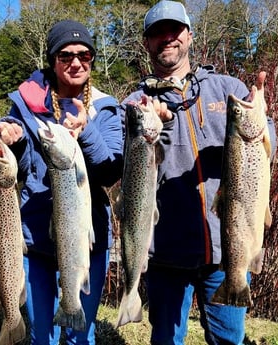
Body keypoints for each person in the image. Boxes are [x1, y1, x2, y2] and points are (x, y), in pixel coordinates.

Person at [120, 1, 277, 344]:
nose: (167, 38)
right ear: (147, 43)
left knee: (228, 340)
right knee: (165, 339)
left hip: (228, 249)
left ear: (189, 36)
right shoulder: (136, 105)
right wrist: (152, 129)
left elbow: (266, 142)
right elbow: (128, 166)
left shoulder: (227, 88)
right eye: (157, 33)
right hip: (166, 253)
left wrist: (262, 119)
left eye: (174, 30)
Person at [0, 19, 123, 345]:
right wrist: (17, 142)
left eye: (84, 55)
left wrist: (86, 131)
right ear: (52, 59)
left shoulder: (105, 108)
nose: (76, 62)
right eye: (65, 55)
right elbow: (24, 170)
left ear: (92, 59)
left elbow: (110, 171)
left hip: (86, 243)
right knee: (42, 336)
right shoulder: (27, 103)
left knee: (81, 334)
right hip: (36, 238)